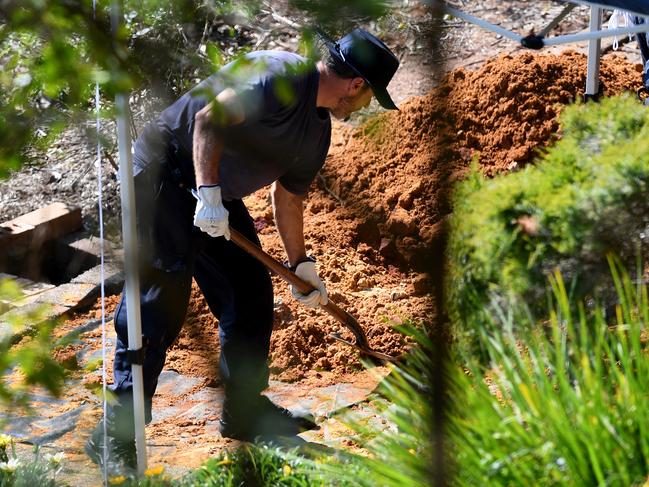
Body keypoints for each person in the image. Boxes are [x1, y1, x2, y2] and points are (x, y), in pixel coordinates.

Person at [85, 27, 399, 470]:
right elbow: (208, 119)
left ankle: (243, 412)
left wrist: (301, 263)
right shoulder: (278, 75)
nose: (367, 106)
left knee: (250, 291)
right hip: (164, 171)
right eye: (372, 96)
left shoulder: (317, 132)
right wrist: (208, 192)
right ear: (356, 85)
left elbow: (288, 199)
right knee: (159, 298)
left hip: (213, 195)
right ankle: (116, 430)